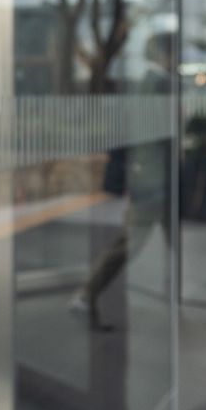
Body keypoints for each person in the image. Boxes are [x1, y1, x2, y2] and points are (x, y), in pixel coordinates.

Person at [70, 32, 172, 329]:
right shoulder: (159, 85)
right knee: (130, 242)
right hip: (155, 181)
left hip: (149, 177)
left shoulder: (144, 85)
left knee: (151, 241)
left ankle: (88, 295)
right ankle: (86, 295)